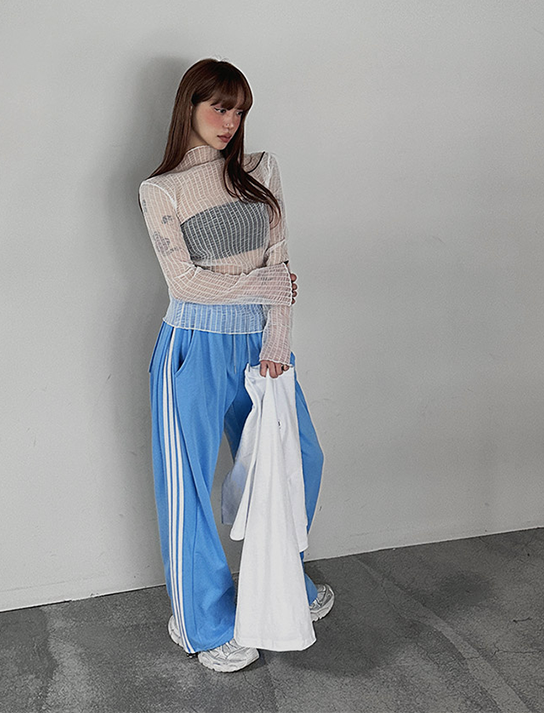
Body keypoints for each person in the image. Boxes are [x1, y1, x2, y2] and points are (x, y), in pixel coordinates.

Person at [139, 58, 333, 672]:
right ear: (190, 107)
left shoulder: (259, 170)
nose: (231, 121)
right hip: (191, 350)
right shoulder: (161, 190)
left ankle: (278, 583)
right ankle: (201, 620)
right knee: (188, 489)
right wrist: (267, 285)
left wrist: (277, 344)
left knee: (299, 459)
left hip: (261, 348)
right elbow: (186, 283)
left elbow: (280, 260)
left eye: (240, 110)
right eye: (220, 107)